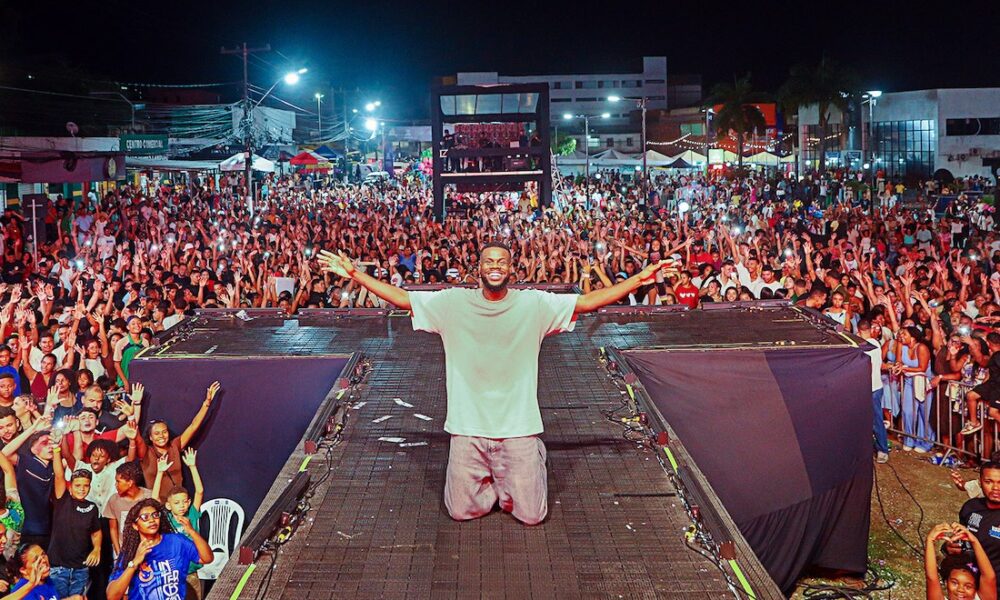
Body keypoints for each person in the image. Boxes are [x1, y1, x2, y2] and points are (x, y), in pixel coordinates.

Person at [319, 243, 673, 525]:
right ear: (478, 268)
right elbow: (403, 299)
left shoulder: (533, 303)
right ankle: (500, 480)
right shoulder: (453, 302)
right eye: (489, 260)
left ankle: (529, 459)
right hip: (467, 427)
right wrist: (354, 274)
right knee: (460, 511)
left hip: (518, 427)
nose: (495, 266)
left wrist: (641, 279)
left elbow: (586, 302)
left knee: (532, 516)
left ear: (510, 269)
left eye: (502, 261)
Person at [106, 499, 213, 600]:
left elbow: (207, 558)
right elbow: (112, 596)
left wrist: (192, 532)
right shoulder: (130, 552)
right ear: (135, 526)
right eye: (145, 517)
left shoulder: (177, 541)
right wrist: (134, 562)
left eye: (155, 515)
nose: (152, 520)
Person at [134, 382, 219, 502]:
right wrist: (136, 406)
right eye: (157, 433)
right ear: (150, 437)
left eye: (164, 432)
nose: (161, 436)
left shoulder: (174, 446)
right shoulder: (146, 452)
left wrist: (207, 403)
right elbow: (135, 435)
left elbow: (193, 426)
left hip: (179, 504)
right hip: (158, 504)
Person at [47, 462, 101, 599]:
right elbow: (59, 475)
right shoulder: (62, 500)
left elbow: (96, 532)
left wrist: (97, 549)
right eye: (78, 485)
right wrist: (56, 451)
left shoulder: (92, 507)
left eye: (86, 485)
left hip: (81, 568)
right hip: (59, 568)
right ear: (70, 486)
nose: (82, 489)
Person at [858, 320, 889, 463]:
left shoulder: (866, 346)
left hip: (872, 388)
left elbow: (868, 366)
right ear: (870, 330)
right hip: (874, 387)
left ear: (859, 331)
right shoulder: (875, 343)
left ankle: (883, 449)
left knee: (876, 420)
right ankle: (875, 447)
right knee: (872, 420)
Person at [103, 462, 151, 556]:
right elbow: (113, 529)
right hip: (125, 551)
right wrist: (118, 552)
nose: (116, 485)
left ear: (130, 483)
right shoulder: (114, 500)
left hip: (148, 550)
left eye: (118, 481)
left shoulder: (148, 496)